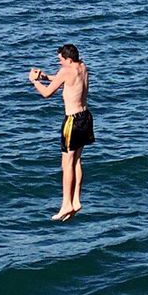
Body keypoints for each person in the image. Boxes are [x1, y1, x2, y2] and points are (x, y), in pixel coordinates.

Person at [28, 44, 94, 221]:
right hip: (86, 117)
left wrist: (35, 81)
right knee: (77, 160)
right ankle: (76, 200)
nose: (59, 63)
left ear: (68, 59)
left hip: (72, 121)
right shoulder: (82, 67)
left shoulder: (65, 71)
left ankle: (66, 204)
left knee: (67, 164)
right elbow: (63, 79)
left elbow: (47, 93)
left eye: (60, 60)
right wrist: (45, 76)